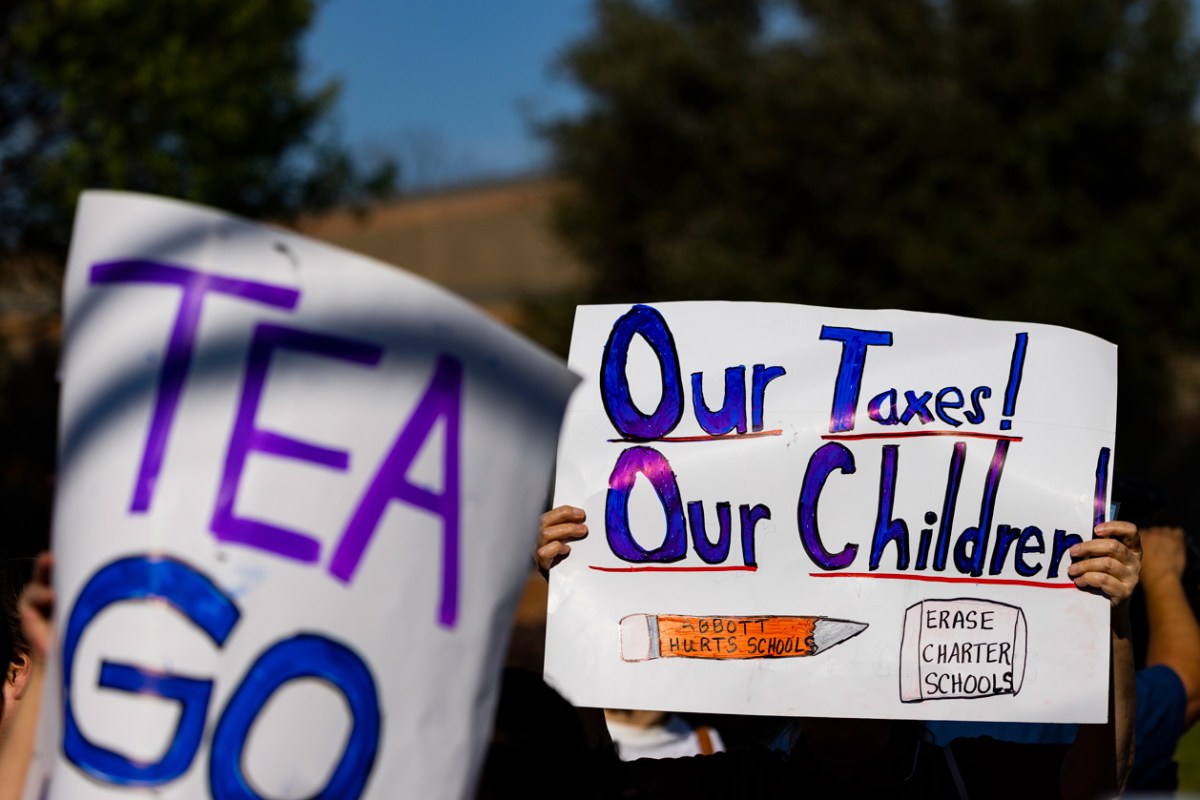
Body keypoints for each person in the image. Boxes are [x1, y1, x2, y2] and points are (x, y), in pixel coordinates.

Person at [538, 506, 1141, 797]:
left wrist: (1111, 619)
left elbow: (1096, 781)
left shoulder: (966, 775)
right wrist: (576, 602)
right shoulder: (745, 781)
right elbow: (599, 787)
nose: (834, 679)